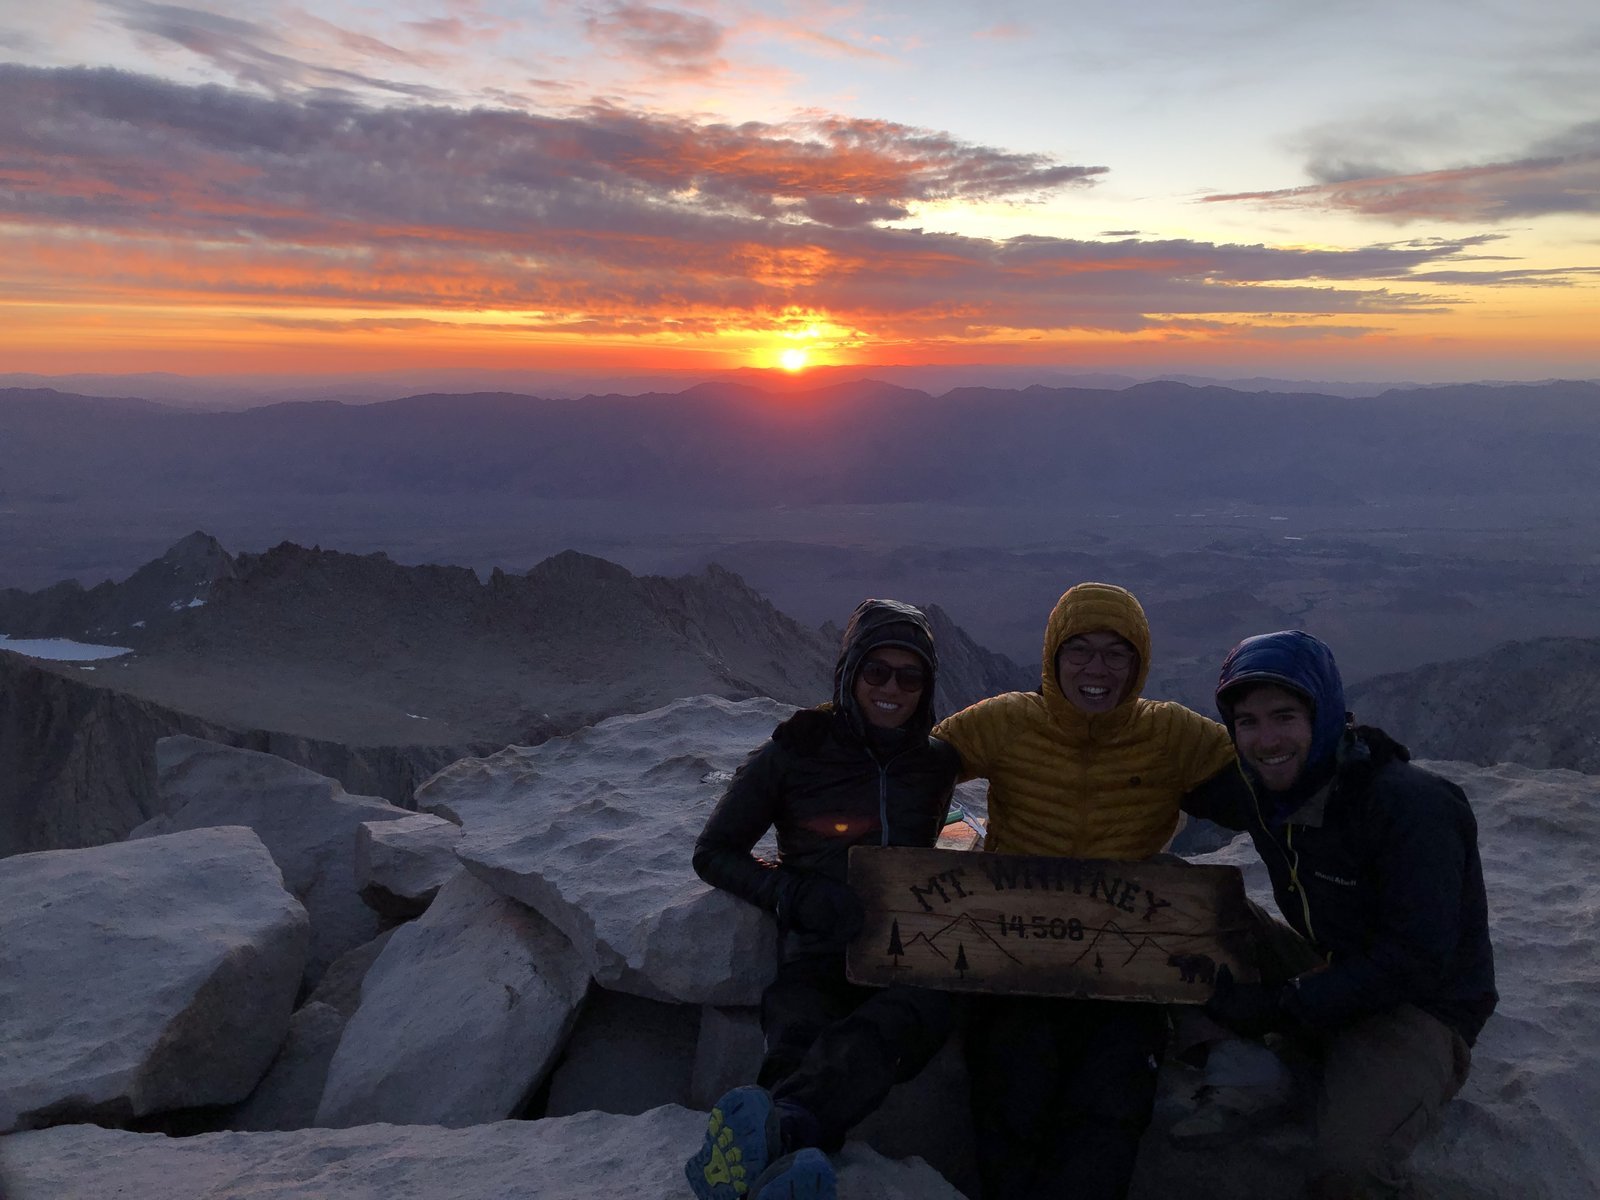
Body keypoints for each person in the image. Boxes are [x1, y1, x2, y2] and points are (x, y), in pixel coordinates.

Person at [932, 581, 1238, 1200]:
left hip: (1127, 962)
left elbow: (1265, 771)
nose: (1096, 669)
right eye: (1080, 651)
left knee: (1113, 1099)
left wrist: (1347, 755)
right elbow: (913, 761)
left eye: (1116, 653)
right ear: (1052, 656)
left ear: (1139, 662)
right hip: (1016, 952)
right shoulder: (1006, 720)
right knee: (1013, 1082)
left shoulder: (1173, 733)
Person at [1181, 630, 1497, 1199]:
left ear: (1324, 715)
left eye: (1284, 716)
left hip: (1418, 1007)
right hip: (1326, 962)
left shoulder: (1410, 806)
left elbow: (1417, 958)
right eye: (1247, 722)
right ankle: (1269, 1065)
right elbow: (1157, 777)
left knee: (1348, 1169)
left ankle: (1300, 1063)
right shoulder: (1261, 789)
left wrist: (1285, 1004)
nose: (1266, 739)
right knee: (1174, 901)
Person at [685, 598, 960, 1200]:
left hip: (908, 954)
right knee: (797, 1032)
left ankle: (772, 1143)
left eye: (909, 676)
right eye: (876, 672)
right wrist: (792, 893)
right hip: (815, 945)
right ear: (849, 673)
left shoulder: (938, 762)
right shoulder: (796, 751)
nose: (892, 688)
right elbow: (715, 851)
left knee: (893, 1024)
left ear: (927, 687)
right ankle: (789, 1156)